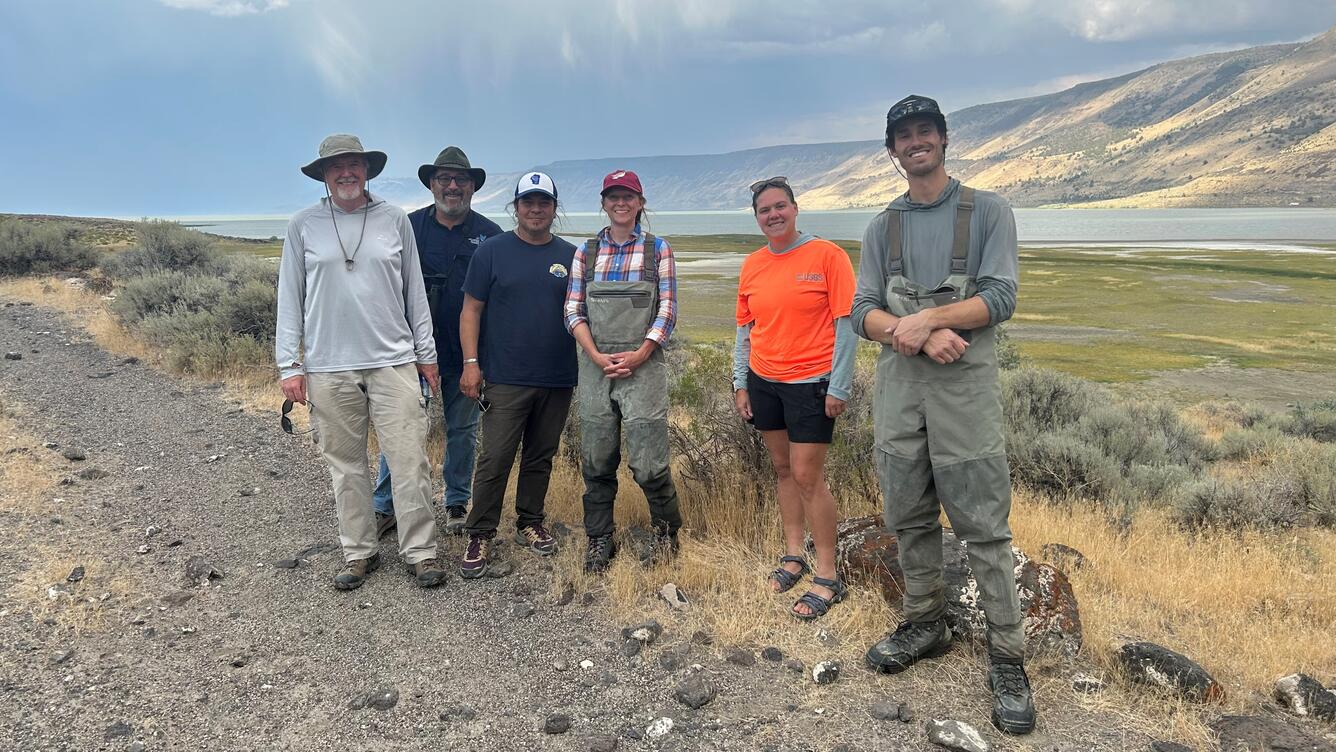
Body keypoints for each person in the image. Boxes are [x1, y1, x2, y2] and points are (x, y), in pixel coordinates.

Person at [850, 95, 1033, 734]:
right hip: (901, 394)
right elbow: (863, 310)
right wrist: (919, 331)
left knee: (983, 523)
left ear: (944, 139)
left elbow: (1001, 297)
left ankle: (1008, 656)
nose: (915, 143)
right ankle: (925, 623)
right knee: (908, 513)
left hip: (964, 398)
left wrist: (929, 317)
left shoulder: (988, 212)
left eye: (925, 131)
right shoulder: (881, 227)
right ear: (892, 150)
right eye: (903, 135)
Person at [275, 134, 446, 590]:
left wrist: (426, 356)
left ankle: (421, 552)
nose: (346, 172)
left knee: (409, 461)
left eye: (354, 164)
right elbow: (289, 297)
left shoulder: (394, 220)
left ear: (366, 170)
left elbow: (415, 292)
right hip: (329, 365)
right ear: (324, 175)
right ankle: (358, 552)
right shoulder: (303, 225)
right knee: (345, 464)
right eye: (337, 167)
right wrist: (289, 365)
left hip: (393, 359)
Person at [732, 177, 856, 620]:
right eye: (764, 210)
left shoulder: (828, 256)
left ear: (796, 208)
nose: (773, 215)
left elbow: (846, 324)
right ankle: (792, 555)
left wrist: (840, 385)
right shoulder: (753, 264)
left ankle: (827, 574)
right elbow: (745, 330)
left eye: (780, 206)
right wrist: (739, 382)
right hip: (764, 380)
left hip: (812, 383)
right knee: (783, 469)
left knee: (807, 476)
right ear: (757, 217)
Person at [371, 146, 501, 539]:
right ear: (431, 184)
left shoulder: (490, 236)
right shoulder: (406, 227)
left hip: (468, 354)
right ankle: (385, 506)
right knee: (402, 428)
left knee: (463, 428)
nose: (452, 186)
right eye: (444, 178)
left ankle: (456, 501)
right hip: (409, 351)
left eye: (461, 179)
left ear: (473, 187)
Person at [457, 172, 576, 578]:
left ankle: (530, 521)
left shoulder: (573, 256)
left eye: (544, 202)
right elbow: (470, 310)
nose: (536, 209)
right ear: (516, 207)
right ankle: (480, 531)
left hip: (558, 376)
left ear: (554, 209)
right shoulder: (491, 252)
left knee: (541, 455)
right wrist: (471, 364)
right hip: (505, 376)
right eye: (528, 202)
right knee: (495, 457)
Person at [564, 170, 682, 573]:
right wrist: (596, 356)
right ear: (603, 202)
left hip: (643, 367)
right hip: (594, 367)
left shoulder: (657, 250)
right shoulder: (586, 252)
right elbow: (573, 310)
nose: (621, 203)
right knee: (597, 459)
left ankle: (667, 536)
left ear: (640, 202)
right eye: (613, 196)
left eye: (628, 196)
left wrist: (640, 352)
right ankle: (600, 539)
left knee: (649, 462)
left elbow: (667, 310)